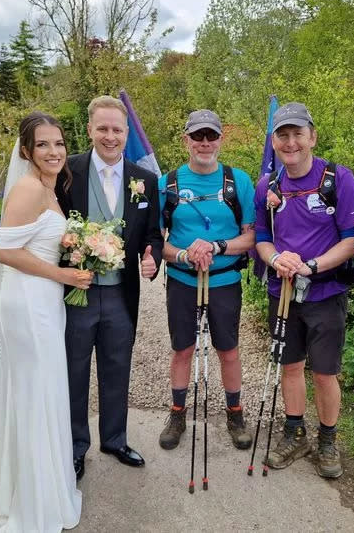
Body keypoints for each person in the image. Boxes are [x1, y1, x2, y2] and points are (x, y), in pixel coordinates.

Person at [0, 95, 163, 481]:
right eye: (103, 128)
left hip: (121, 296)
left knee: (116, 368)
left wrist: (152, 256)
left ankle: (115, 438)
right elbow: (29, 206)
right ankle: (75, 446)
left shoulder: (146, 180)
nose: (110, 136)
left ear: (126, 133)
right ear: (89, 129)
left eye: (117, 129)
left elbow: (153, 234)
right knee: (72, 371)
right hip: (74, 293)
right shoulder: (67, 170)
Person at [0, 112, 85, 532]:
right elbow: (8, 252)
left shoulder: (52, 187)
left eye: (58, 143)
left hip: (41, 301)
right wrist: (65, 275)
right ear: (26, 151)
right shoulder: (28, 187)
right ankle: (30, 499)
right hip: (27, 302)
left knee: (39, 391)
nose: (54, 151)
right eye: (43, 144)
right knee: (33, 391)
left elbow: (23, 235)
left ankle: (36, 484)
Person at [253, 102, 354, 478]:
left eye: (298, 133)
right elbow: (263, 240)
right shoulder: (266, 185)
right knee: (291, 366)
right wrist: (276, 260)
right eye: (283, 135)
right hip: (280, 291)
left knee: (325, 373)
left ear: (312, 137)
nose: (291, 142)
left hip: (325, 292)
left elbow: (352, 240)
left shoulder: (338, 178)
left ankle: (328, 439)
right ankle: (295, 432)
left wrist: (312, 266)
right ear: (274, 142)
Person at [156, 109, 256, 451]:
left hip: (224, 280)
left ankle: (235, 412)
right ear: (186, 140)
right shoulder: (167, 183)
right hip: (183, 280)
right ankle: (178, 412)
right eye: (197, 136)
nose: (204, 143)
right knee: (182, 348)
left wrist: (216, 246)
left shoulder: (238, 181)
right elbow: (157, 242)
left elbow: (252, 237)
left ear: (220, 139)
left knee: (227, 350)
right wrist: (185, 254)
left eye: (211, 136)